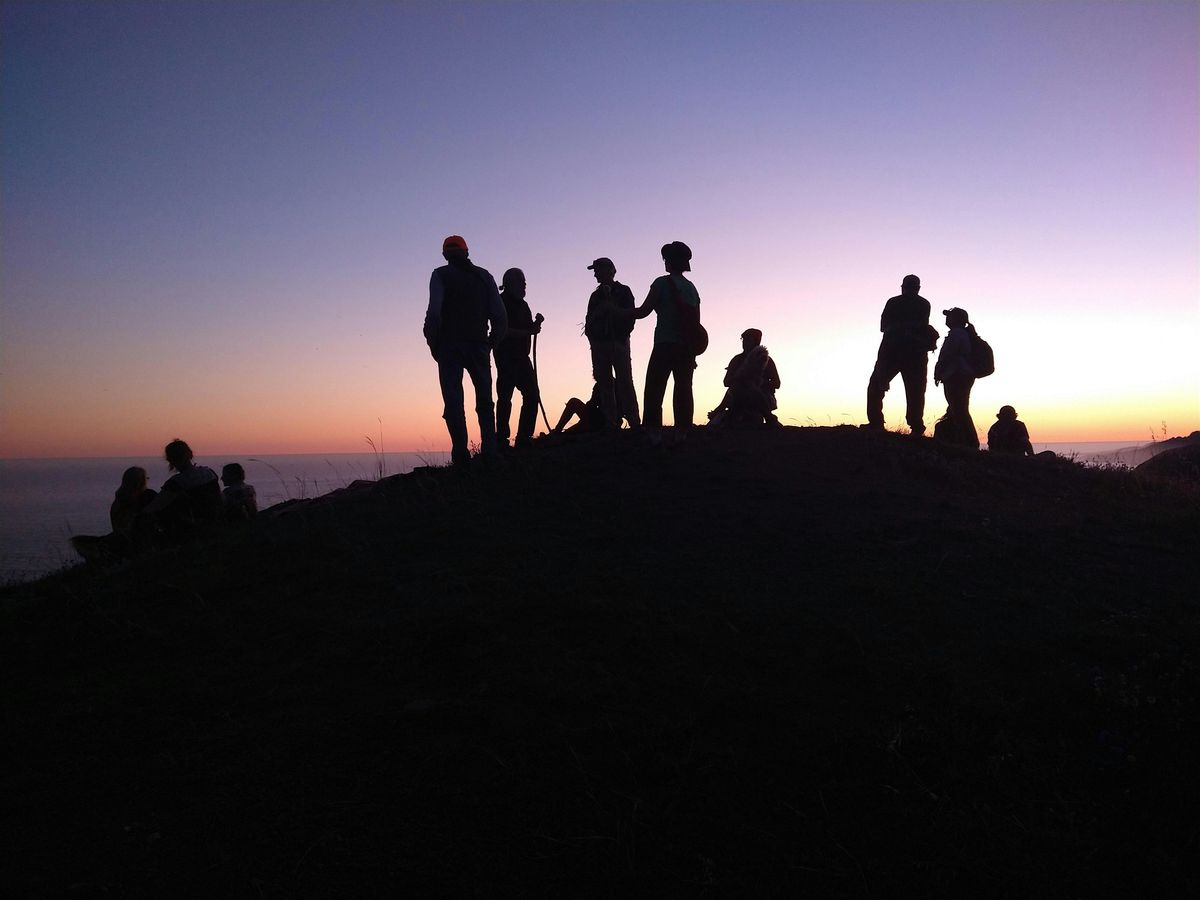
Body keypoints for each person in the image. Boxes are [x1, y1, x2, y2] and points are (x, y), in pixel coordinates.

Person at [423, 235, 507, 467]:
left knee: (453, 401)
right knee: (485, 401)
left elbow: (434, 313)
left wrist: (433, 344)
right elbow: (499, 316)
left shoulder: (440, 275)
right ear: (467, 252)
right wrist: (491, 343)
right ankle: (490, 452)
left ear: (444, 255)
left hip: (449, 347)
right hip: (478, 345)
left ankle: (461, 456)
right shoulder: (484, 277)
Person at [620, 241, 701, 434]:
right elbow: (696, 323)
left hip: (665, 344)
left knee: (654, 390)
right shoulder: (691, 288)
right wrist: (693, 351)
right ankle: (684, 432)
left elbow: (643, 311)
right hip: (686, 347)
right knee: (683, 389)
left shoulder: (661, 283)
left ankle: (652, 433)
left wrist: (619, 312)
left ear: (670, 261)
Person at [865, 274, 937, 435]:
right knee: (915, 391)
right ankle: (916, 426)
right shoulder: (923, 304)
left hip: (893, 352)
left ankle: (877, 423)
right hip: (913, 354)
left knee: (877, 386)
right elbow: (920, 326)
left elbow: (883, 326)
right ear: (918, 288)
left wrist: (899, 328)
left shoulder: (895, 302)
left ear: (903, 287)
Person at [584, 257, 640, 429]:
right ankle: (611, 423)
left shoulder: (624, 291)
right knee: (604, 384)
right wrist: (594, 341)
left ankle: (634, 422)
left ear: (609, 270)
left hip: (619, 342)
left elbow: (631, 316)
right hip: (600, 345)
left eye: (597, 270)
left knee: (625, 382)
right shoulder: (595, 296)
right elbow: (588, 322)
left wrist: (621, 336)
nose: (595, 274)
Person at [493, 268, 541, 448]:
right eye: (521, 282)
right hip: (506, 357)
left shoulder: (523, 305)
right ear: (509, 284)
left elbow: (529, 328)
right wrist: (528, 332)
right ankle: (501, 439)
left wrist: (535, 325)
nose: (524, 286)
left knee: (532, 395)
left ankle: (524, 437)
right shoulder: (500, 303)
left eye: (524, 282)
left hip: (522, 357)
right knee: (505, 398)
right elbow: (501, 331)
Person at [71, 466, 158, 563]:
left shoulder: (117, 502)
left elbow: (116, 526)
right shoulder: (147, 496)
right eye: (146, 478)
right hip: (139, 544)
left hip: (123, 541)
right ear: (141, 482)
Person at [143, 439, 223, 541]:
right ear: (190, 454)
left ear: (170, 460)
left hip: (192, 529)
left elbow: (155, 507)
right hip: (216, 522)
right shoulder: (209, 473)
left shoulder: (177, 482)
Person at [707, 328, 782, 426]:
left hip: (763, 396)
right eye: (743, 340)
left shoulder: (766, 359)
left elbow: (777, 383)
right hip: (738, 394)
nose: (744, 342)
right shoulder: (737, 360)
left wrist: (759, 383)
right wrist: (741, 378)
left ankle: (769, 418)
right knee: (736, 388)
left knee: (752, 391)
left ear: (756, 342)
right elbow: (726, 382)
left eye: (748, 340)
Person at [933, 307, 979, 449]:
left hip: (956, 375)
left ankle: (970, 443)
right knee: (959, 409)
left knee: (959, 409)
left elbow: (948, 354)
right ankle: (967, 442)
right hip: (960, 374)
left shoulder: (957, 334)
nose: (947, 318)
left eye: (950, 316)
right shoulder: (961, 333)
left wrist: (939, 370)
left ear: (957, 319)